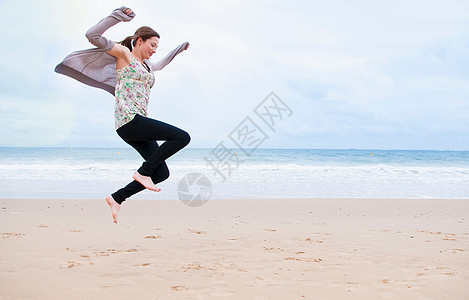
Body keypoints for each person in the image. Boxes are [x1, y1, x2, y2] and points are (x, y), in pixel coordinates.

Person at [55, 7, 191, 223]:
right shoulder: (124, 54)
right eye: (152, 45)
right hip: (129, 120)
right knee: (182, 137)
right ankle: (143, 172)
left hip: (137, 123)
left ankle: (117, 198)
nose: (154, 50)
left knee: (161, 173)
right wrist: (118, 16)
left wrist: (178, 49)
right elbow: (93, 36)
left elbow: (160, 64)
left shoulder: (146, 66)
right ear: (139, 40)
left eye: (157, 47)